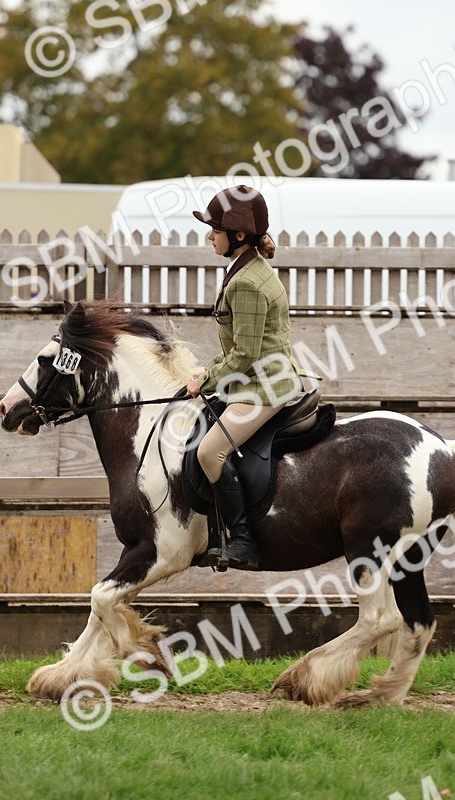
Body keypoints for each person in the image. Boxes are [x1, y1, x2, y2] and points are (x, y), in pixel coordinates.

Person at [186, 185, 302, 570]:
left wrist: (204, 381)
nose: (209, 235)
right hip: (258, 377)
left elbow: (246, 354)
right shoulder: (250, 269)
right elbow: (243, 345)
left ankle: (242, 541)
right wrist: (210, 370)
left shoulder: (247, 282)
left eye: (215, 229)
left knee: (209, 451)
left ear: (237, 236)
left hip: (264, 387)